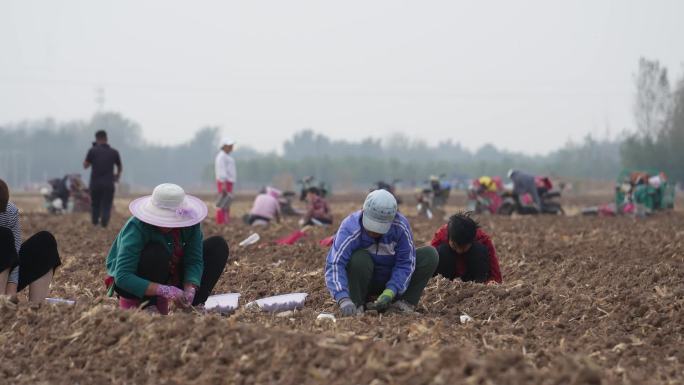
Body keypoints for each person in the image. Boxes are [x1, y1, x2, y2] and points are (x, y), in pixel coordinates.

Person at [105, 183, 229, 314]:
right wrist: (166, 291)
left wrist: (190, 288)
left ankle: (193, 306)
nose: (167, 224)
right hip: (136, 280)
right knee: (156, 252)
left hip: (171, 272)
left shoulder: (190, 223)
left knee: (217, 246)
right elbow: (123, 276)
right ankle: (148, 305)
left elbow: (194, 260)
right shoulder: (137, 227)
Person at [324, 189, 438, 317]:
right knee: (359, 258)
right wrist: (343, 298)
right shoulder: (350, 227)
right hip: (363, 279)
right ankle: (356, 304)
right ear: (363, 211)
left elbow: (405, 263)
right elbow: (335, 263)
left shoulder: (400, 227)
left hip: (389, 278)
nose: (375, 232)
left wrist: (391, 291)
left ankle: (402, 304)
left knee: (429, 255)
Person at [0, 179, 62, 302]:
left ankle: (35, 308)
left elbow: (14, 255)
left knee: (45, 241)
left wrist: (11, 289)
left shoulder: (9, 211)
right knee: (4, 235)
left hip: (5, 272)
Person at [430, 213, 502, 284]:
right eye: (455, 246)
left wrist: (492, 282)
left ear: (472, 240)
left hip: (470, 276)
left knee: (480, 251)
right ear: (449, 238)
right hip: (447, 275)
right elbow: (429, 265)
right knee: (440, 252)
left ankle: (479, 282)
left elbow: (495, 272)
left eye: (463, 248)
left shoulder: (482, 239)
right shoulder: (440, 236)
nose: (459, 251)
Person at [84, 130, 122, 228]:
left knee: (95, 204)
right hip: (109, 183)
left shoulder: (92, 151)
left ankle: (95, 223)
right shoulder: (114, 152)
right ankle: (104, 223)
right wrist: (117, 176)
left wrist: (93, 150)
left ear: (96, 139)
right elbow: (119, 166)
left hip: (95, 183)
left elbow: (85, 165)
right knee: (106, 204)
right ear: (106, 138)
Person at [215, 137, 236, 225]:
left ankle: (225, 221)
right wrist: (223, 184)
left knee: (227, 203)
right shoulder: (221, 156)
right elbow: (221, 170)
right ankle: (221, 222)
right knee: (223, 203)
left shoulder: (226, 156)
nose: (231, 147)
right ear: (224, 146)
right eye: (229, 145)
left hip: (228, 182)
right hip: (225, 182)